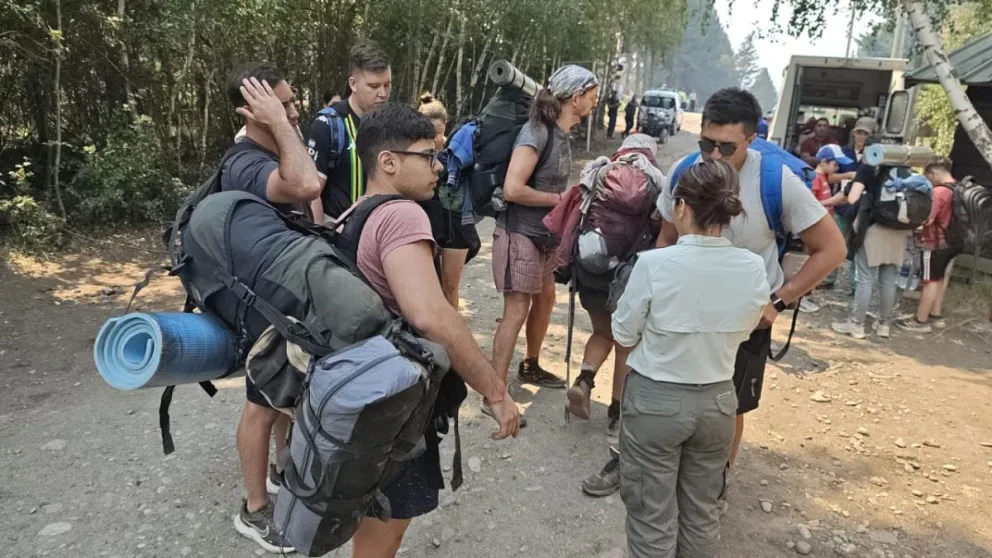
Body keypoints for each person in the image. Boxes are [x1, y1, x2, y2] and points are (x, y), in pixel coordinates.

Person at [583, 87, 845, 497]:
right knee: (642, 378)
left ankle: (714, 481)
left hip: (743, 319)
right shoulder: (686, 171)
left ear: (751, 140)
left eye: (727, 146)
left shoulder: (777, 182)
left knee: (731, 402)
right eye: (707, 143)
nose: (714, 156)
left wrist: (779, 301)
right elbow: (666, 239)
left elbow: (832, 249)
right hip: (679, 309)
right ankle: (626, 455)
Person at [347, 102, 521, 557]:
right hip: (393, 406)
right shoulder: (402, 215)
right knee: (385, 528)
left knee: (375, 520)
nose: (440, 167)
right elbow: (431, 316)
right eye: (428, 156)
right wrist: (495, 392)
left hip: (364, 395)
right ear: (389, 162)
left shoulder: (354, 213)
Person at [615, 160, 769, 558]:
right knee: (702, 515)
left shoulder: (654, 264)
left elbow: (622, 333)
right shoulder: (753, 267)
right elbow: (751, 324)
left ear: (681, 207)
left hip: (655, 401)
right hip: (718, 401)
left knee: (651, 516)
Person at [222, 63, 322, 554]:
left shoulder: (275, 148)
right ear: (252, 111)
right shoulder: (244, 162)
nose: (295, 109)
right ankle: (254, 509)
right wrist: (283, 127)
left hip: (286, 295)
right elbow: (306, 185)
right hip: (260, 301)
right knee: (260, 406)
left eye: (292, 99)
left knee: (286, 390)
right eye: (283, 103)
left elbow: (311, 207)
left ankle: (283, 472)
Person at [489, 65, 600, 407]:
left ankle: (530, 365)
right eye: (592, 98)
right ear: (575, 97)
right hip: (519, 232)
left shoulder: (561, 133)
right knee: (517, 308)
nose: (594, 104)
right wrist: (560, 200)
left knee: (547, 298)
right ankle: (494, 393)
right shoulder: (536, 131)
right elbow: (512, 189)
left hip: (544, 237)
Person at [565, 134, 663, 427]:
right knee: (625, 343)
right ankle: (616, 411)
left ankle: (584, 380)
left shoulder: (600, 170)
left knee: (601, 332)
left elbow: (575, 214)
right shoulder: (657, 181)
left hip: (590, 269)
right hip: (629, 275)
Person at [306, 40, 392, 223]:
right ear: (353, 84)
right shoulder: (328, 125)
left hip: (381, 230)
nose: (383, 94)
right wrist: (318, 239)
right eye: (374, 86)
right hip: (338, 233)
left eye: (387, 85)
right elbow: (312, 193)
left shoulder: (392, 124)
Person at [831, 165, 913, 340]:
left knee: (865, 279)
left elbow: (851, 198)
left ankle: (856, 324)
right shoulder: (906, 171)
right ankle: (884, 325)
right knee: (889, 281)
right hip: (899, 231)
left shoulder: (868, 170)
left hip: (874, 230)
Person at [417, 93, 481, 309]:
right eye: (430, 134)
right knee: (430, 284)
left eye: (439, 133)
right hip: (428, 225)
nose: (436, 139)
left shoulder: (457, 152)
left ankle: (452, 333)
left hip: (456, 225)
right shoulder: (414, 156)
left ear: (445, 126)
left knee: (450, 285)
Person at [897, 159, 961, 333]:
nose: (929, 181)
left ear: (934, 173)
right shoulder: (958, 188)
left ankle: (921, 320)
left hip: (934, 242)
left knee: (929, 280)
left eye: (928, 177)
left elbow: (929, 219)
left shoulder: (939, 192)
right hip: (953, 241)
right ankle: (935, 315)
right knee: (940, 278)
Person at [825, 116, 875, 292]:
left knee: (858, 245)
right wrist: (849, 175)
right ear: (853, 134)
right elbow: (830, 177)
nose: (861, 136)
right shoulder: (843, 153)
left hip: (864, 208)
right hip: (843, 204)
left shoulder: (876, 155)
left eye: (865, 134)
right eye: (858, 132)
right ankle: (828, 278)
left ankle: (855, 285)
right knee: (835, 242)